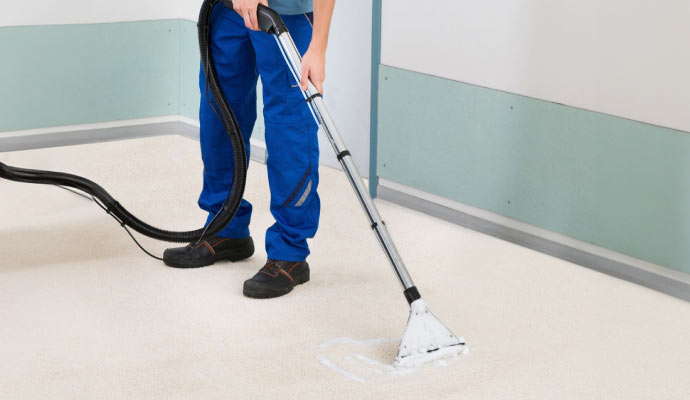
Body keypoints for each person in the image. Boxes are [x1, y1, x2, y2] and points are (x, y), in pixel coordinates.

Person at [163, 0, 335, 299]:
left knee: (289, 129)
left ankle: (290, 252)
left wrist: (318, 47)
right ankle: (226, 225)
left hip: (286, 16)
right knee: (220, 112)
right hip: (230, 9)